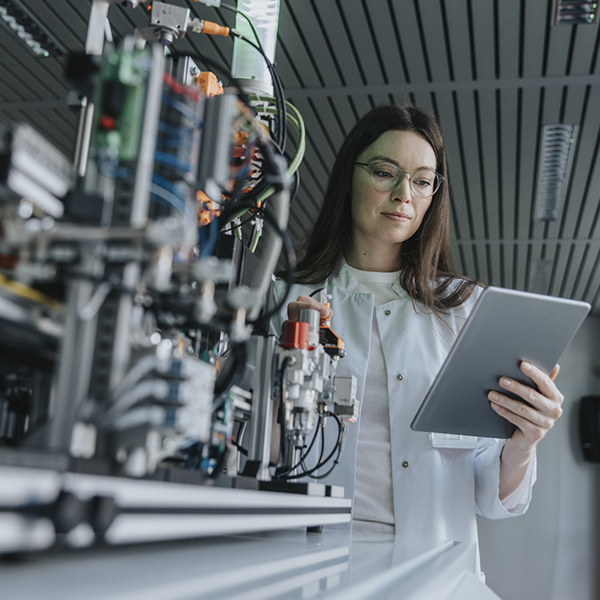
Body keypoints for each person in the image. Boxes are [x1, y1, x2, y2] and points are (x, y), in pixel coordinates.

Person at [271, 104, 563, 559]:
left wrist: (524, 443)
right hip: (306, 555)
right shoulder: (285, 301)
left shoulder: (466, 310)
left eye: (422, 181)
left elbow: (494, 497)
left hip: (432, 564)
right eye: (385, 172)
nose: (404, 194)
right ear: (350, 175)